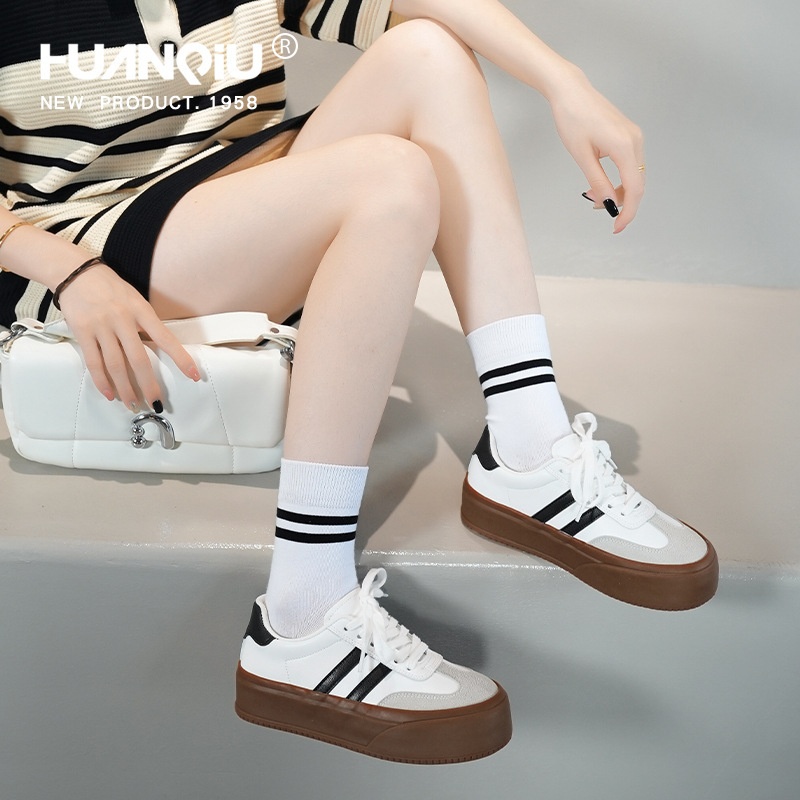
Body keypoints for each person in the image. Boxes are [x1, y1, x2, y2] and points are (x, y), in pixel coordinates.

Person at [0, 0, 718, 763]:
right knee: (392, 176)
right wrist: (66, 272)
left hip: (229, 201)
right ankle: (301, 615)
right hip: (85, 253)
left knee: (430, 50)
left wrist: (563, 81)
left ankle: (529, 444)